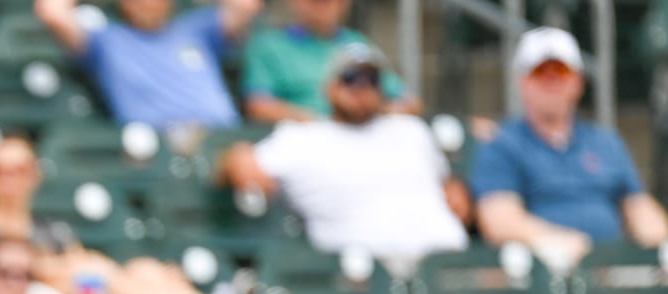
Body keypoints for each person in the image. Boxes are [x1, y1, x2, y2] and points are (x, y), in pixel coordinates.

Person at [219, 42, 470, 278]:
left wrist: (454, 190)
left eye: (371, 79)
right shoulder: (303, 137)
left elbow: (448, 187)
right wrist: (238, 157)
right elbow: (232, 162)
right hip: (358, 274)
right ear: (329, 87)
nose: (361, 88)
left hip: (446, 263)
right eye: (350, 78)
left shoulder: (410, 130)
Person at [471, 27, 668, 273]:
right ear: (522, 82)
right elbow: (499, 219)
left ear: (577, 82)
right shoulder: (503, 143)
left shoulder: (605, 142)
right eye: (540, 72)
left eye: (561, 72)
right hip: (542, 273)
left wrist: (655, 240)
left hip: (612, 268)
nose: (551, 81)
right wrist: (555, 240)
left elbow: (639, 205)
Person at [0, 134, 215, 294]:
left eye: (20, 170)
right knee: (86, 281)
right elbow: (16, 269)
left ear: (35, 175)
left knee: (144, 268)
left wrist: (83, 266)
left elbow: (81, 261)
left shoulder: (50, 228)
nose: (10, 180)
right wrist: (68, 266)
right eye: (0, 170)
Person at [35, 0, 260, 130]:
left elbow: (246, 5)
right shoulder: (107, 41)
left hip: (222, 136)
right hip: (159, 145)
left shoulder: (196, 29)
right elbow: (53, 13)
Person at [241, 0, 419, 123]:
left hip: (364, 138)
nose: (323, 5)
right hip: (304, 142)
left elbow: (408, 101)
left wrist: (372, 112)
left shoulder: (358, 43)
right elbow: (258, 106)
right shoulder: (269, 46)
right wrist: (322, 122)